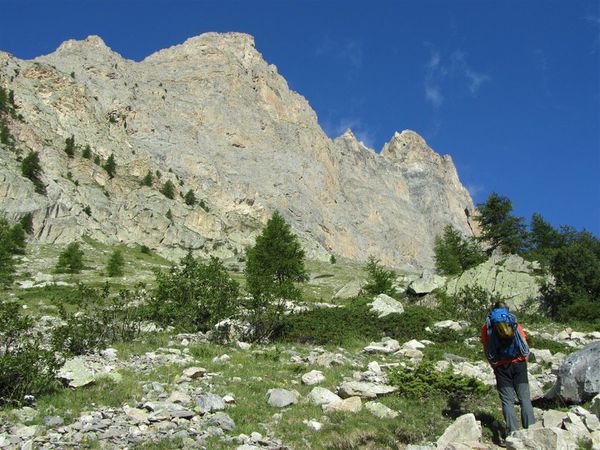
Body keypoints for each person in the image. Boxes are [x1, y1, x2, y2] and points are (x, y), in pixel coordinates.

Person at [481, 301, 535, 439]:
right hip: (519, 364)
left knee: (507, 401)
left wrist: (494, 364)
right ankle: (532, 432)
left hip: (501, 366)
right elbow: (523, 342)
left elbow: (487, 348)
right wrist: (524, 360)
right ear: (507, 309)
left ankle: (513, 434)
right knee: (525, 399)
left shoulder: (487, 326)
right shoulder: (513, 322)